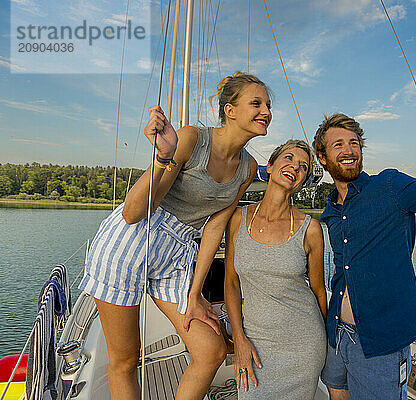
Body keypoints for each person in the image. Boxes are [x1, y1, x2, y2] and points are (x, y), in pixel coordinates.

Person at [78, 71, 272, 400]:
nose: (266, 111)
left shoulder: (248, 168)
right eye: (256, 103)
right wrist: (165, 157)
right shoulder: (193, 139)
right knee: (125, 360)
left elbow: (214, 227)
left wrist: (195, 293)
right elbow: (133, 212)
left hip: (179, 250)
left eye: (268, 105)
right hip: (133, 240)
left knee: (211, 350)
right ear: (231, 110)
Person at [315, 68, 416, 400]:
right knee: (336, 392)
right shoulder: (331, 211)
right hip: (336, 333)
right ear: (323, 157)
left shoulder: (390, 186)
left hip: (380, 342)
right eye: (338, 144)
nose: (349, 149)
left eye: (354, 142)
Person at [224, 139, 328, 400]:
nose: (295, 167)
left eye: (303, 167)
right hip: (256, 341)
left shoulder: (310, 229)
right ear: (269, 166)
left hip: (304, 346)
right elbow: (231, 284)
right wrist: (239, 339)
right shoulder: (238, 218)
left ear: (302, 181)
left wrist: (328, 344)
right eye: (289, 158)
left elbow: (318, 291)